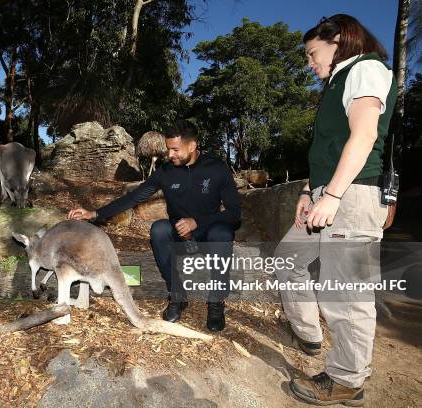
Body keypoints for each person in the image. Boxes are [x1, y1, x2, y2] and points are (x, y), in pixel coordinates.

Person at [273, 14, 396, 406]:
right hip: (329, 192)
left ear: (339, 38)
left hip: (352, 196)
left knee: (345, 293)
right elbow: (328, 149)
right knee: (288, 260)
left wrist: (334, 196)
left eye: (312, 53)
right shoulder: (338, 82)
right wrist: (310, 190)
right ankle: (309, 335)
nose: (309, 63)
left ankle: (347, 377)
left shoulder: (366, 68)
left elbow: (364, 135)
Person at [68, 119, 241, 332]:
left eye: (175, 150)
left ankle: (216, 302)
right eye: (168, 149)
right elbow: (133, 198)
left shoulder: (217, 169)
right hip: (179, 232)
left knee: (223, 232)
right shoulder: (166, 172)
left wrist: (197, 221)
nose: (170, 155)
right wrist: (95, 213)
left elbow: (234, 214)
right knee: (159, 229)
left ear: (192, 146)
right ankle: (177, 295)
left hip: (208, 230)